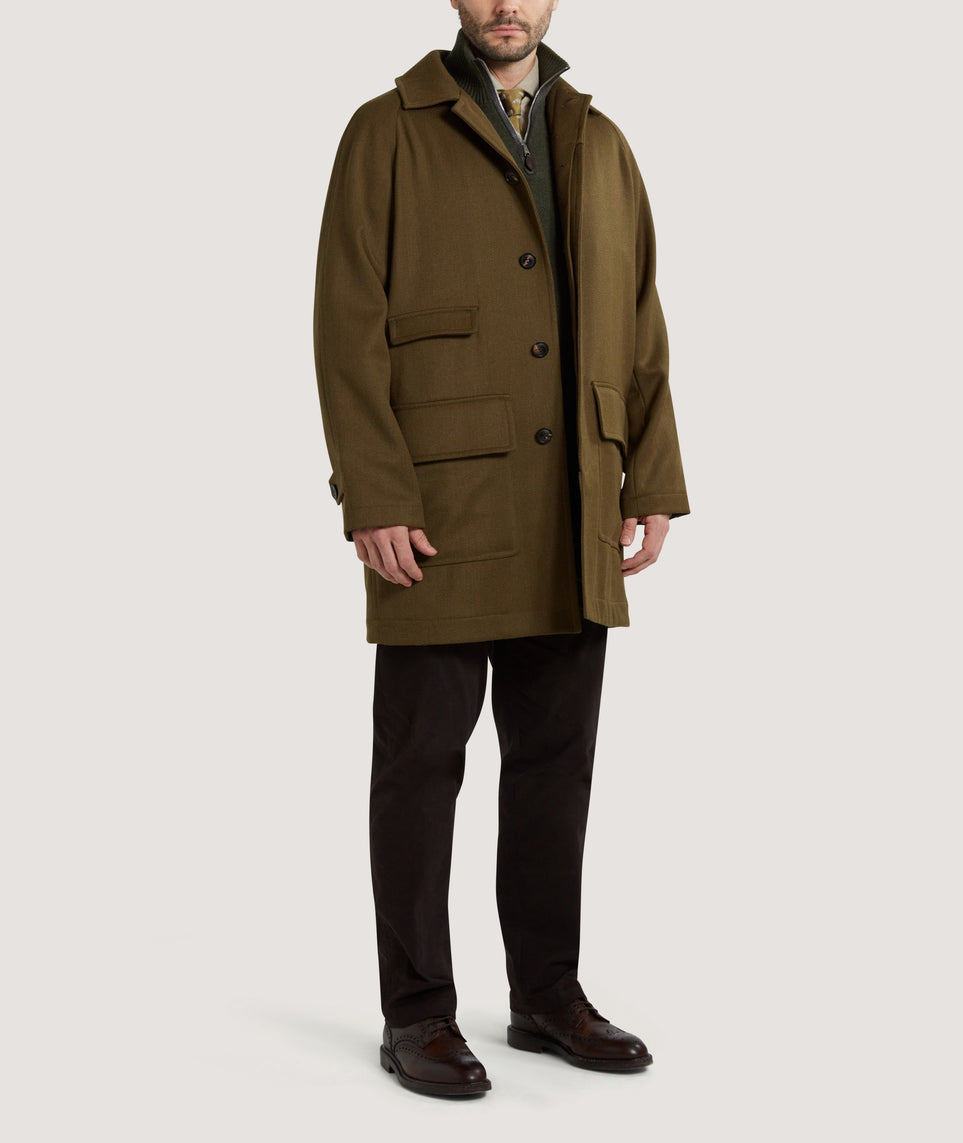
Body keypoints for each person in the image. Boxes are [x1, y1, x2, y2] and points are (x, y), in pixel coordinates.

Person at [312, 0, 689, 1097]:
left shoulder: (600, 140)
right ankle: (418, 1012)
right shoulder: (386, 130)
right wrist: (374, 492)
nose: (505, 7)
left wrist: (651, 474)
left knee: (556, 764)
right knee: (420, 764)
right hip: (440, 504)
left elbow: (641, 314)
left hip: (575, 500)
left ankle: (546, 995)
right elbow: (345, 322)